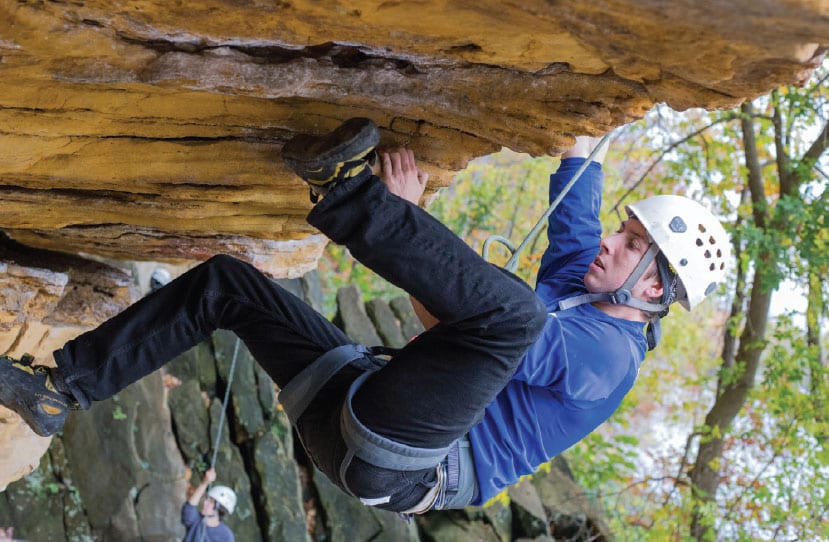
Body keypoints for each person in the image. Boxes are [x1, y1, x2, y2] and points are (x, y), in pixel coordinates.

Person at [0, 118, 729, 514]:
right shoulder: (585, 278)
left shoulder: (607, 357)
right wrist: (589, 113)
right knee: (226, 284)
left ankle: (346, 195)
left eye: (631, 245)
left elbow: (472, 330)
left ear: (655, 291)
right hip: (355, 402)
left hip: (401, 466)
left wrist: (405, 213)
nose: (610, 242)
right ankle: (61, 388)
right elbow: (576, 196)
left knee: (511, 314)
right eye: (624, 231)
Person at [181, 468, 236, 542]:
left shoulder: (226, 535)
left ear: (219, 508)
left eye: (210, 502)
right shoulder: (196, 520)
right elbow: (189, 507)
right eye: (207, 499)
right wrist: (205, 482)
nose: (205, 503)